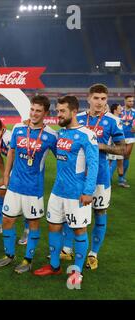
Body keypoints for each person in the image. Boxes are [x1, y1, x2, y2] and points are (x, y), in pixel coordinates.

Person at [34, 95, 99, 288]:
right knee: (53, 227)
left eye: (62, 111)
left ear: (73, 111)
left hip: (77, 194)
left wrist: (88, 191)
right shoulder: (61, 134)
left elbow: (93, 164)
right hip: (57, 192)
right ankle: (54, 266)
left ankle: (77, 271)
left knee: (79, 230)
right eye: (57, 111)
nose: (58, 114)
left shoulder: (87, 135)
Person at [0, 96, 57, 273]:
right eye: (32, 110)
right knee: (7, 220)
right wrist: (6, 175)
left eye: (38, 111)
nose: (34, 114)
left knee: (33, 223)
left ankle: (28, 260)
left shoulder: (51, 135)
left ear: (46, 113)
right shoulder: (19, 128)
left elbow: (63, 157)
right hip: (15, 185)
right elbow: (11, 151)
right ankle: (9, 255)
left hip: (34, 189)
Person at [73, 84, 125, 270]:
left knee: (99, 212)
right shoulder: (77, 118)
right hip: (77, 176)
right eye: (96, 98)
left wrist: (101, 147)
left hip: (101, 177)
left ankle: (93, 254)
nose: (100, 102)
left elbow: (123, 149)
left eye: (103, 99)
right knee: (73, 212)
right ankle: (67, 248)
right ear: (88, 99)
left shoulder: (112, 121)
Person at [108, 104, 125, 185]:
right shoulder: (115, 120)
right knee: (111, 161)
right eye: (119, 108)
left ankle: (120, 180)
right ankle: (108, 180)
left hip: (115, 144)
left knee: (119, 161)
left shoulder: (115, 119)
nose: (121, 109)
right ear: (115, 110)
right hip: (114, 145)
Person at [120, 95, 135, 187]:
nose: (131, 103)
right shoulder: (119, 110)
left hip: (130, 136)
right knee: (117, 157)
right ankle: (109, 176)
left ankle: (122, 178)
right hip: (120, 136)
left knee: (126, 156)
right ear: (125, 101)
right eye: (129, 101)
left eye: (132, 101)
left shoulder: (134, 112)